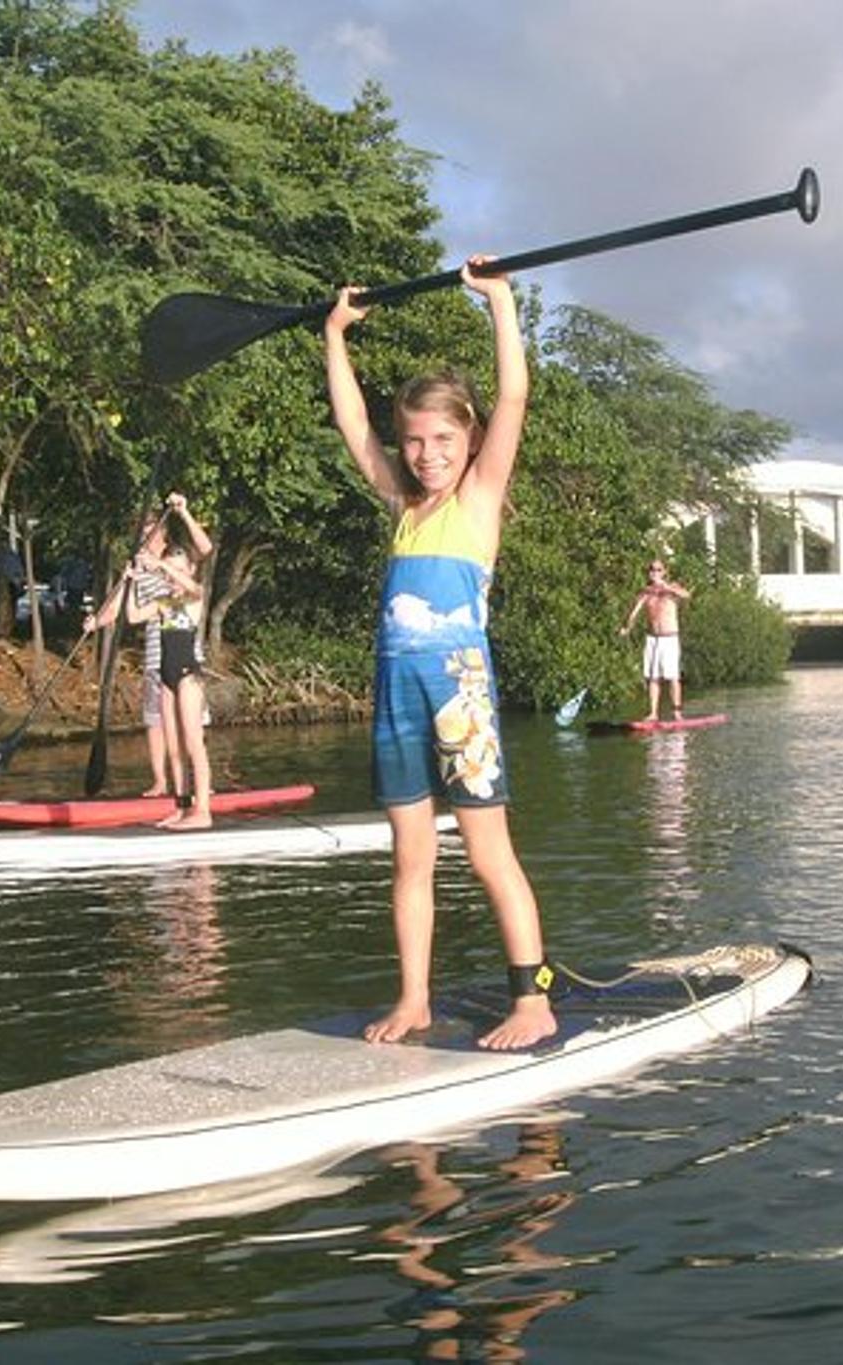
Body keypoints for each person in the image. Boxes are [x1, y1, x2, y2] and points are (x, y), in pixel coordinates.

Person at [324, 256, 556, 1052]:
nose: (427, 454)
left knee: (489, 852)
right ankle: (414, 998)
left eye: (444, 439)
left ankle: (532, 1000)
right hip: (395, 701)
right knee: (410, 857)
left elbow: (514, 394)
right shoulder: (402, 504)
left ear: (471, 440)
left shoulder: (479, 499)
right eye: (415, 440)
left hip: (461, 700)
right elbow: (353, 426)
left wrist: (498, 301)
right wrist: (335, 336)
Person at [85, 493, 213, 804]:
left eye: (151, 530)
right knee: (157, 722)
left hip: (186, 659)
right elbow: (122, 609)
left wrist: (183, 512)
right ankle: (165, 785)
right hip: (157, 655)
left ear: (162, 530)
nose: (146, 536)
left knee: (191, 729)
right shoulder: (141, 569)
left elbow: (205, 550)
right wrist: (96, 622)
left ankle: (199, 790)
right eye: (142, 532)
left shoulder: (178, 559)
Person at [140, 542, 213, 829]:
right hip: (166, 677)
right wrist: (130, 580)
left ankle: (203, 811)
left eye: (179, 570)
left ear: (190, 570)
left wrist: (162, 565)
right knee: (174, 749)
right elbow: (133, 615)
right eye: (170, 571)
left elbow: (194, 588)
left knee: (194, 743)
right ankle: (182, 809)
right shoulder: (165, 604)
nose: (173, 576)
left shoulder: (194, 598)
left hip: (188, 677)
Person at [622, 559, 691, 721]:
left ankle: (677, 712)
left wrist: (666, 587)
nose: (655, 572)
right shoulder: (646, 592)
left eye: (658, 569)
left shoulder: (672, 588)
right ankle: (653, 713)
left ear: (664, 572)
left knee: (673, 676)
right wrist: (627, 628)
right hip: (653, 638)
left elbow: (686, 595)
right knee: (653, 677)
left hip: (669, 638)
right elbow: (634, 613)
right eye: (652, 569)